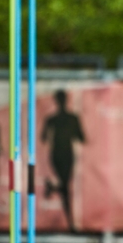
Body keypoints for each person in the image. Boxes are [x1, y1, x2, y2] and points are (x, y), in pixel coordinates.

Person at [41, 89, 86, 232]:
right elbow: (80, 137)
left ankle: (52, 188)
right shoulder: (59, 119)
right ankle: (71, 223)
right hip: (61, 154)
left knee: (65, 186)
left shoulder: (65, 119)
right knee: (66, 187)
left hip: (64, 154)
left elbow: (81, 137)